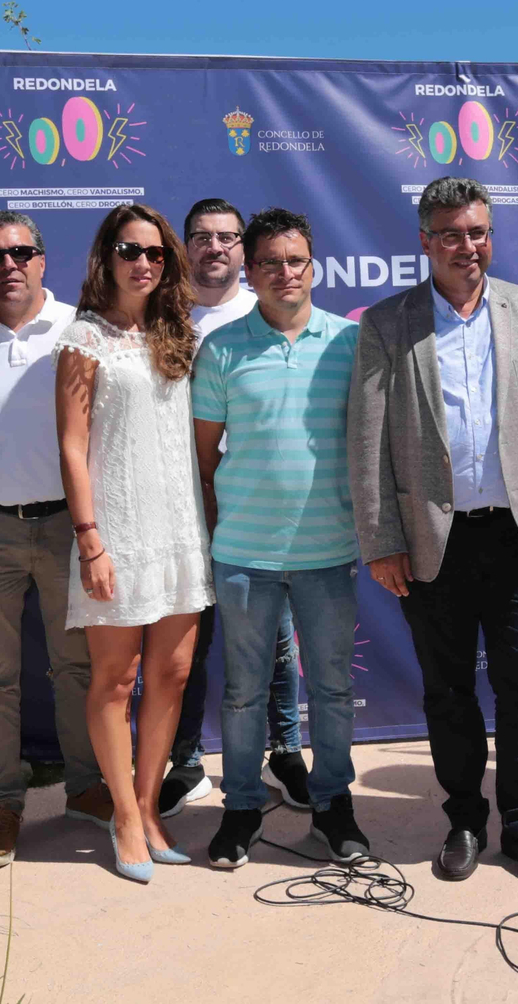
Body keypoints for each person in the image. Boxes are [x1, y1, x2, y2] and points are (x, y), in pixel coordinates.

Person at [349, 178, 518, 889]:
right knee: (448, 692)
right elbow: (367, 443)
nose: (467, 246)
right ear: (425, 241)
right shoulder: (388, 323)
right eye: (451, 234)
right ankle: (462, 819)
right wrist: (382, 539)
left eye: (478, 231)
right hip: (431, 541)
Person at [0, 211, 111, 869]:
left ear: (42, 260)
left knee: (76, 667)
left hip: (69, 523)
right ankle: (2, 803)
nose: (7, 265)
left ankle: (87, 786)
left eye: (21, 253)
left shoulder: (81, 330)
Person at [193, 208, 368, 869]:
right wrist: (223, 531)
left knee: (329, 689)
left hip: (328, 551)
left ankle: (333, 808)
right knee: (242, 691)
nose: (284, 273)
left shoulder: (350, 343)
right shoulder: (223, 348)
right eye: (269, 261)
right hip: (244, 554)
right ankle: (240, 807)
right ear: (250, 269)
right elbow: (203, 460)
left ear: (313, 266)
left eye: (295, 260)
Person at [55, 204, 214, 881]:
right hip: (114, 532)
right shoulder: (83, 337)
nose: (142, 261)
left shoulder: (180, 332)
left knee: (172, 675)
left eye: (154, 251)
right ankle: (122, 813)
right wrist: (90, 539)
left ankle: (151, 808)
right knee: (117, 679)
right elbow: (71, 443)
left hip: (180, 529)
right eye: (129, 249)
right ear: (106, 257)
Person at [159, 199, 307, 819]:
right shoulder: (161, 317)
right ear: (185, 247)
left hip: (250, 505)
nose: (215, 248)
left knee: (271, 635)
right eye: (202, 237)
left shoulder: (267, 312)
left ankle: (286, 751)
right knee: (186, 640)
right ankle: (186, 761)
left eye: (228, 238)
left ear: (245, 249)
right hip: (177, 500)